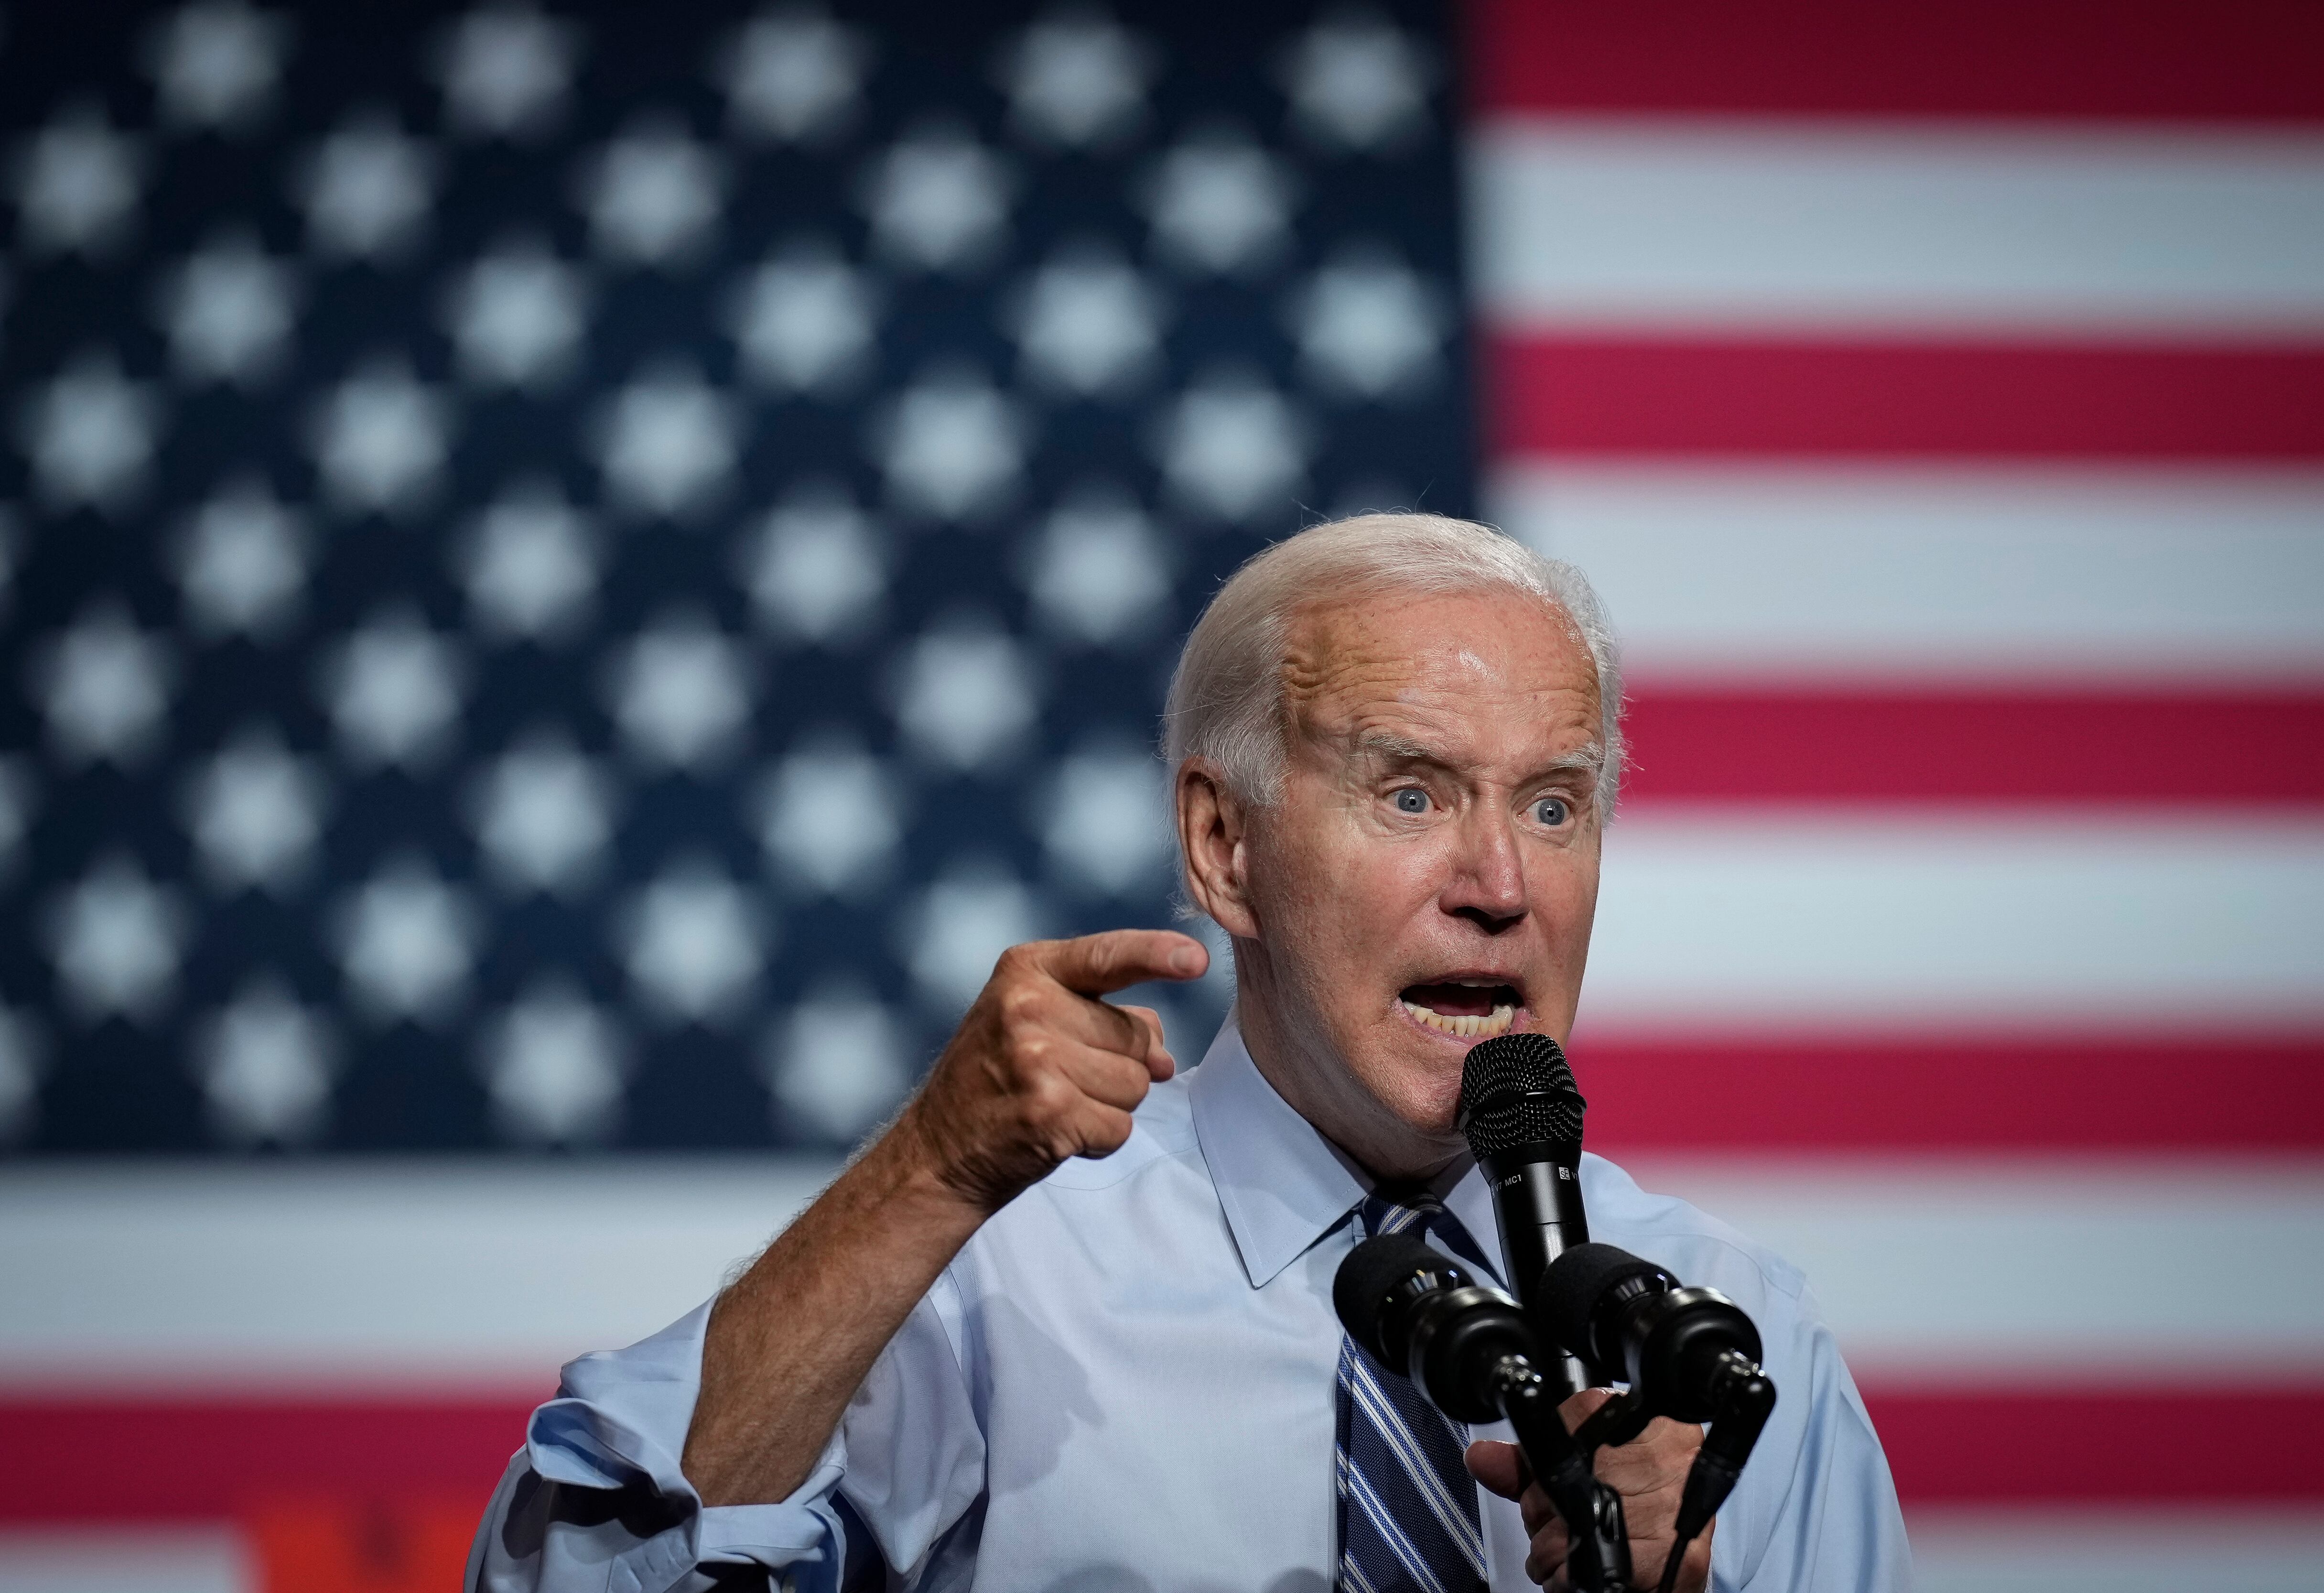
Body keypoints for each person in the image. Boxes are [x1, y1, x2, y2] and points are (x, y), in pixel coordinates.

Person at [468, 514, 1912, 1593]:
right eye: (1411, 795)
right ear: (1225, 849)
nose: (1499, 882)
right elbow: (562, 1582)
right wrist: (924, 1174)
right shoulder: (995, 1286)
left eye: (1552, 806)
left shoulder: (1734, 1342)